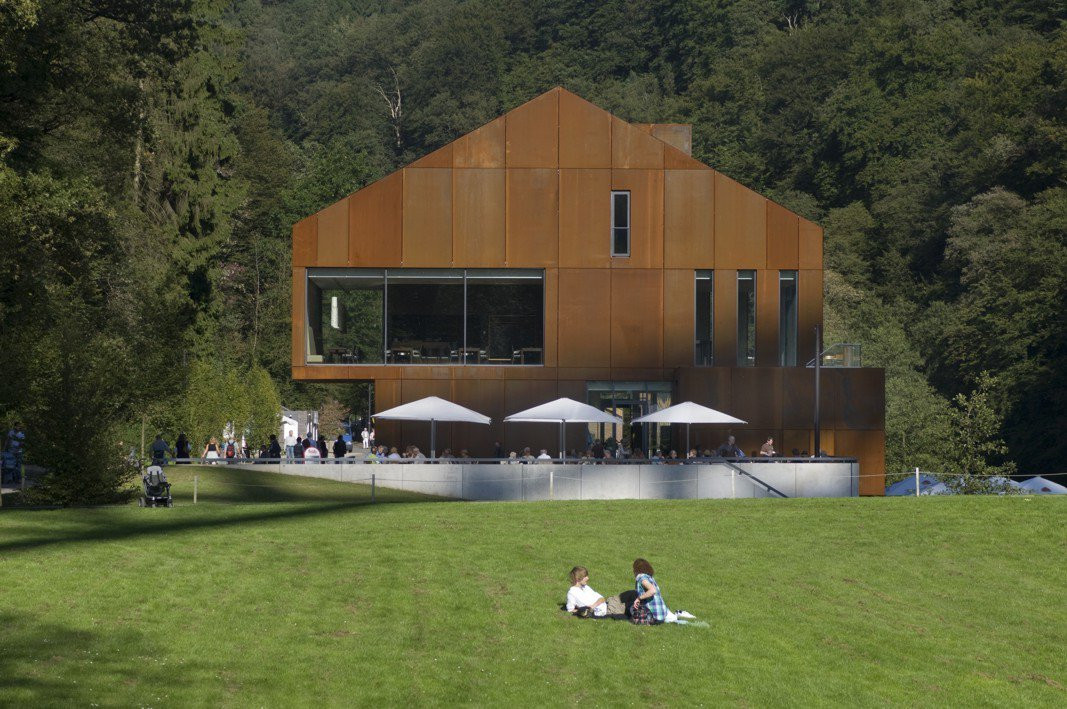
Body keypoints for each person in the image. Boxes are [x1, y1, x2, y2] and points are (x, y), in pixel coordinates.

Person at [631, 558, 668, 625]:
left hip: (652, 617)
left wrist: (639, 598)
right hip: (662, 617)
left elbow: (652, 590)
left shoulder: (641, 577)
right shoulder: (650, 578)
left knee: (631, 608)